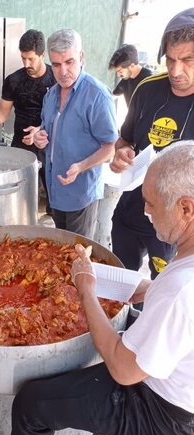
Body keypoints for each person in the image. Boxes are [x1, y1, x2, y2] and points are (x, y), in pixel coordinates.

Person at [0, 140, 194, 435]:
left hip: (164, 408)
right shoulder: (183, 272)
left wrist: (87, 290)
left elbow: (123, 369)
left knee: (33, 403)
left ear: (186, 209)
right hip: (172, 372)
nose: (146, 212)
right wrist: (147, 288)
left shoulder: (182, 290)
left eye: (151, 204)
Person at [110, 7, 194, 279]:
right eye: (170, 60)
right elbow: (125, 139)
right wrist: (122, 152)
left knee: (164, 289)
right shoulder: (147, 88)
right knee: (121, 279)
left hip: (176, 230)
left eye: (188, 60)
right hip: (131, 209)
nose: (176, 70)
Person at [33, 29, 117, 239]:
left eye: (69, 62)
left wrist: (81, 166)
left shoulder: (97, 96)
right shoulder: (51, 95)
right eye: (56, 65)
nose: (63, 72)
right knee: (60, 247)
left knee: (78, 252)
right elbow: (47, 130)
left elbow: (110, 147)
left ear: (81, 57)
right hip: (55, 188)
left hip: (81, 192)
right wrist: (40, 137)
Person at [0, 29, 56, 215]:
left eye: (31, 59)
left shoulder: (55, 79)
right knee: (19, 196)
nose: (27, 63)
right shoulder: (14, 80)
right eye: (23, 58)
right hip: (21, 144)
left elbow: (62, 114)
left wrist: (41, 130)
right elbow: (2, 113)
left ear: (43, 55)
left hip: (50, 143)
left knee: (54, 199)